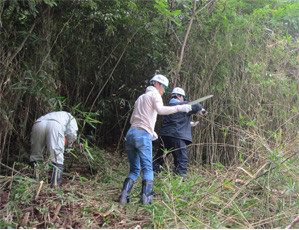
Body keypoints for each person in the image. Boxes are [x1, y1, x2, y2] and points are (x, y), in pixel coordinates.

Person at [119, 75, 192, 205]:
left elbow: (132, 119)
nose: (164, 91)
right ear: (157, 84)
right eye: (164, 87)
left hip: (130, 134)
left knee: (135, 169)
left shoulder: (140, 98)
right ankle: (146, 200)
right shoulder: (155, 95)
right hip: (143, 133)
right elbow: (160, 110)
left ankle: (124, 197)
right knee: (148, 168)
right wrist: (180, 108)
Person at [153, 87, 207, 176]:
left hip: (165, 136)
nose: (184, 100)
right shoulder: (183, 105)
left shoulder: (168, 107)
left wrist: (189, 123)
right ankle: (180, 177)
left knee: (160, 156)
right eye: (183, 98)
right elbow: (196, 106)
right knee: (181, 158)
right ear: (179, 96)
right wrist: (202, 110)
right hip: (177, 136)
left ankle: (153, 172)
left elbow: (175, 120)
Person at [29, 111, 78, 187]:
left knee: (36, 155)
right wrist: (69, 145)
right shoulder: (70, 117)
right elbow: (72, 133)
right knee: (57, 157)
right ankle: (55, 185)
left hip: (38, 123)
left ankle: (35, 183)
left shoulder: (53, 114)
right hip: (55, 125)